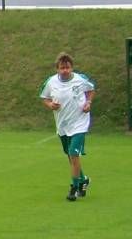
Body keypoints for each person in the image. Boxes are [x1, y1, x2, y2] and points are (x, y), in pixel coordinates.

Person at [40, 52, 96, 202]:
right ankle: (83, 179)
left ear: (72, 68)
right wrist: (50, 105)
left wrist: (88, 102)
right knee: (70, 155)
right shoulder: (51, 82)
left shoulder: (80, 79)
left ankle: (74, 188)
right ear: (57, 69)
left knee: (73, 153)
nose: (65, 70)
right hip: (63, 125)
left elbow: (91, 90)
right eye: (62, 68)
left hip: (79, 124)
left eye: (67, 67)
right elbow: (44, 97)